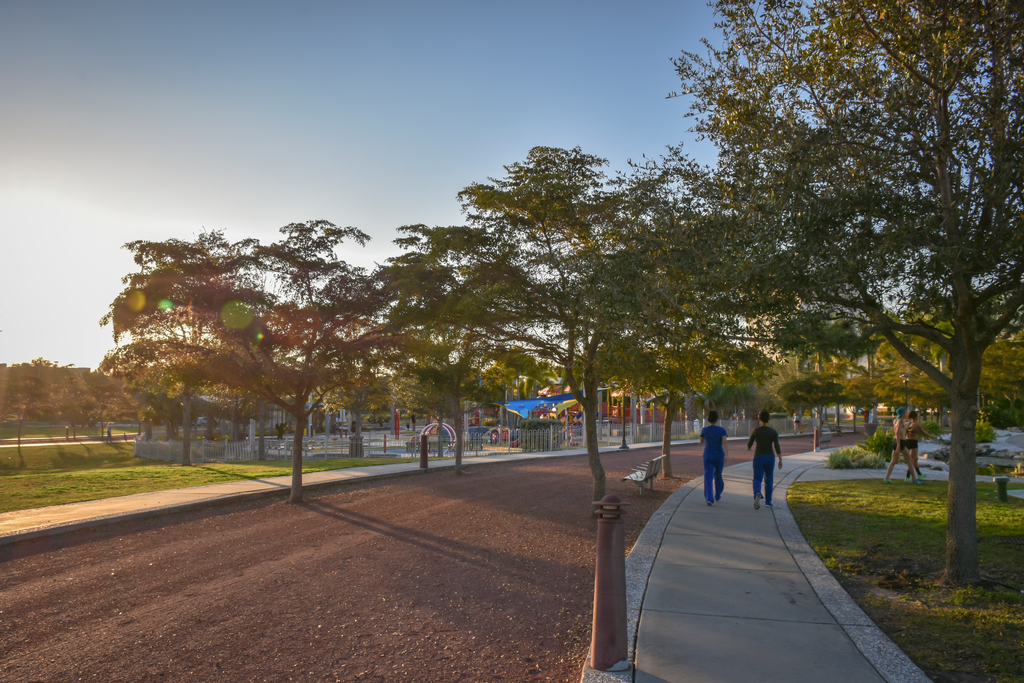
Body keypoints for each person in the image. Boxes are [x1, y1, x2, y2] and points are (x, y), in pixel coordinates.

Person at [748, 409, 783, 509]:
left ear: (759, 419)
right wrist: (780, 459)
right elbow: (777, 446)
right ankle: (768, 502)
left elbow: (749, 444)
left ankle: (757, 493)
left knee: (757, 478)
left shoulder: (756, 431)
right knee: (769, 479)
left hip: (758, 456)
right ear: (768, 419)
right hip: (770, 457)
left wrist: (749, 447)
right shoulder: (773, 432)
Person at [884, 407, 922, 484]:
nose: (906, 414)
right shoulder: (900, 421)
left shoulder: (896, 420)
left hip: (896, 441)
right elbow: (897, 432)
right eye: (905, 413)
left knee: (893, 461)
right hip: (900, 442)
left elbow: (901, 430)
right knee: (910, 461)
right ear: (901, 413)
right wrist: (898, 444)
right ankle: (914, 479)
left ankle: (887, 478)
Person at [700, 410, 729, 505]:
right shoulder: (722, 430)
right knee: (718, 475)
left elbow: (701, 440)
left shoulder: (705, 429)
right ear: (717, 419)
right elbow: (724, 442)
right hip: (719, 455)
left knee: (708, 476)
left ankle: (709, 498)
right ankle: (718, 495)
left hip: (708, 454)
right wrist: (726, 454)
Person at [903, 410, 936, 481]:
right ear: (915, 417)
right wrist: (933, 436)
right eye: (918, 416)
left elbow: (904, 433)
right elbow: (925, 434)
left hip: (907, 442)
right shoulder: (917, 425)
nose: (918, 417)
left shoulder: (907, 424)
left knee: (915, 460)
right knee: (912, 460)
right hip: (914, 443)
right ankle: (907, 477)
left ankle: (919, 474)